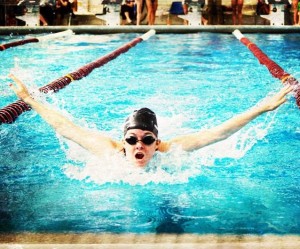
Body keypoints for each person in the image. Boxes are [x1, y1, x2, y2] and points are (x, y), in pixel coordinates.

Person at [9, 74, 293, 168]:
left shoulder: (171, 151)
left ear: (157, 143)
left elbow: (218, 134)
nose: (138, 145)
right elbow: (64, 127)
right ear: (124, 141)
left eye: (147, 139)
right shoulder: (109, 151)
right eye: (132, 139)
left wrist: (261, 109)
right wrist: (29, 99)